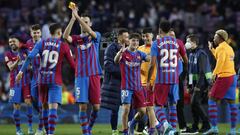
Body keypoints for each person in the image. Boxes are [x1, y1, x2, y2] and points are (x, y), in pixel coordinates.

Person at [16, 23, 75, 135]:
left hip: (41, 79)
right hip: (54, 80)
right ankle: (50, 133)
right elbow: (73, 65)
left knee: (44, 106)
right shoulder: (63, 45)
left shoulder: (41, 43)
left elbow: (29, 57)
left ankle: (44, 130)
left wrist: (20, 72)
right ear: (59, 32)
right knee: (53, 108)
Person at [63, 8, 102, 135]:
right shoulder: (76, 39)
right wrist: (73, 19)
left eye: (86, 21)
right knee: (83, 106)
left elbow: (90, 32)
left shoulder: (96, 35)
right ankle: (85, 132)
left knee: (96, 107)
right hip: (81, 76)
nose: (83, 24)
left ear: (90, 23)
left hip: (94, 75)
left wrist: (78, 17)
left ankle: (89, 127)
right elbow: (65, 36)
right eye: (82, 22)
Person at [147, 20, 188, 134]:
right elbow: (186, 60)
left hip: (161, 79)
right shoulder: (178, 42)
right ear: (170, 30)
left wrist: (148, 80)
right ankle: (172, 130)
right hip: (174, 79)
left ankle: (165, 124)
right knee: (172, 104)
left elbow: (152, 64)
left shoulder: (156, 43)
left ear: (159, 30)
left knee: (157, 105)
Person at [203, 29, 238, 135]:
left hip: (224, 77)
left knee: (211, 99)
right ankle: (233, 130)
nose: (214, 38)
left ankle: (214, 128)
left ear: (220, 38)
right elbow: (222, 58)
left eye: (215, 36)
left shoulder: (221, 48)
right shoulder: (229, 48)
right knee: (232, 103)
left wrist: (214, 74)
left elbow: (221, 61)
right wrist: (212, 50)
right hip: (232, 77)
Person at [114, 33, 149, 135]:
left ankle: (132, 124)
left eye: (137, 41)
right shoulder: (123, 53)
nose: (135, 42)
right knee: (126, 110)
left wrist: (155, 54)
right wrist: (119, 53)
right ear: (129, 41)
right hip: (126, 87)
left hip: (138, 87)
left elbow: (149, 58)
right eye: (133, 40)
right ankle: (125, 132)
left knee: (142, 111)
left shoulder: (139, 54)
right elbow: (116, 61)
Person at [101, 28, 129, 135]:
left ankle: (127, 129)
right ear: (119, 37)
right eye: (125, 36)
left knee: (129, 106)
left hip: (127, 82)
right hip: (115, 83)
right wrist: (124, 72)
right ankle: (114, 130)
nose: (127, 38)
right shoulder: (111, 48)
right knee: (115, 109)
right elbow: (108, 66)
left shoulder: (129, 48)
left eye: (128, 37)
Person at [5, 35, 33, 135]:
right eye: (10, 42)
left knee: (28, 103)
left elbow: (30, 66)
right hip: (14, 84)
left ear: (18, 42)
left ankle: (30, 128)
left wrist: (29, 65)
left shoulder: (24, 52)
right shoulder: (7, 54)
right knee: (16, 106)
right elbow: (11, 68)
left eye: (13, 41)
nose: (12, 43)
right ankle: (18, 130)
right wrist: (18, 60)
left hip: (26, 82)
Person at [183, 34, 211, 134]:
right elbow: (190, 72)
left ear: (194, 43)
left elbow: (203, 72)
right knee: (193, 105)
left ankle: (206, 124)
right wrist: (189, 86)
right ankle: (195, 126)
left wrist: (198, 87)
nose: (187, 43)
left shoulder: (201, 54)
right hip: (194, 85)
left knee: (195, 103)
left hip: (202, 84)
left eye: (188, 41)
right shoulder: (191, 54)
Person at [25, 24, 44, 135]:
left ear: (40, 33)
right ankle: (45, 117)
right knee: (34, 100)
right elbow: (27, 57)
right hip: (34, 76)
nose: (36, 34)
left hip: (43, 76)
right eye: (34, 32)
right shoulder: (28, 43)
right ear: (31, 33)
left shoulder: (45, 43)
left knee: (41, 103)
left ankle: (40, 128)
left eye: (37, 32)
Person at [137, 28, 157, 134]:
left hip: (153, 82)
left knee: (150, 107)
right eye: (143, 36)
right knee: (143, 108)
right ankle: (143, 128)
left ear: (152, 35)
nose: (145, 38)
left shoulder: (157, 47)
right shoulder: (139, 48)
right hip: (140, 83)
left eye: (147, 35)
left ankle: (151, 129)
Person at [169, 29, 188, 133]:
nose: (172, 37)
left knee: (178, 104)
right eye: (170, 35)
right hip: (167, 78)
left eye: (173, 36)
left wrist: (183, 76)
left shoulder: (179, 45)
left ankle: (182, 126)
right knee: (162, 104)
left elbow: (186, 63)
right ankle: (152, 125)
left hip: (178, 80)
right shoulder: (165, 48)